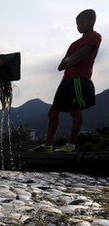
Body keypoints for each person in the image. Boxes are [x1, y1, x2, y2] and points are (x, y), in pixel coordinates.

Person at [35, 9, 102, 153]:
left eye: (82, 23)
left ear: (92, 22)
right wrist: (71, 60)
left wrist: (70, 60)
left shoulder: (95, 37)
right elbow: (61, 66)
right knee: (53, 112)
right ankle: (48, 146)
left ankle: (70, 145)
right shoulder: (74, 44)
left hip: (79, 79)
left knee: (75, 111)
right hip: (66, 80)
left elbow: (81, 56)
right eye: (77, 24)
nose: (79, 27)